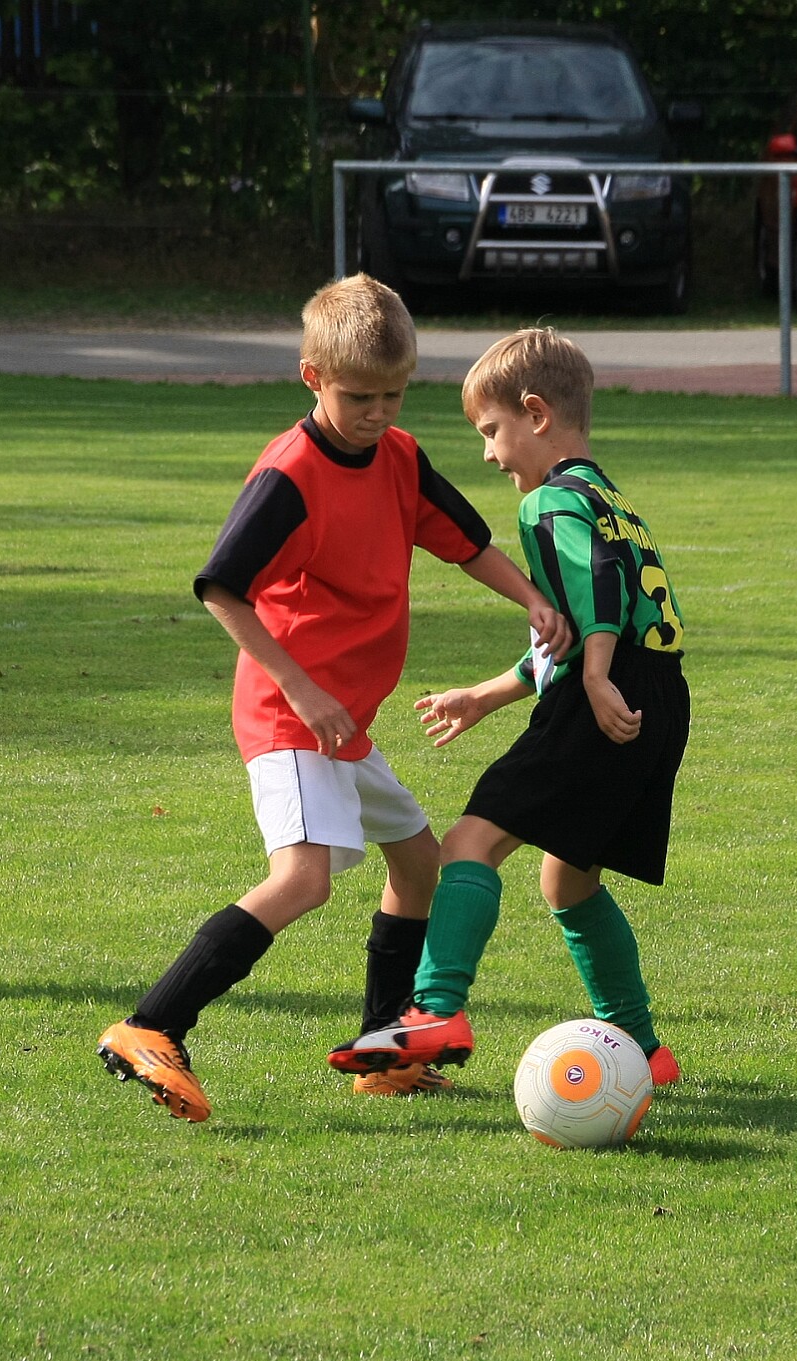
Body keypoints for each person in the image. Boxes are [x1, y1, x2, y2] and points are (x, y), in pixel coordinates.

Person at [96, 277, 570, 1123]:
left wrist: (532, 599)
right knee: (303, 880)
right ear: (313, 377)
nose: (377, 414)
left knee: (418, 864)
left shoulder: (399, 457)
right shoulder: (291, 474)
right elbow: (223, 589)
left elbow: (466, 543)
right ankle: (151, 1025)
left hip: (343, 722)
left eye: (393, 396)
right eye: (358, 397)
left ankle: (384, 1052)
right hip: (292, 715)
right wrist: (302, 687)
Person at [328, 329, 690, 1089]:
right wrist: (488, 695)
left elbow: (599, 590)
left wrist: (597, 677)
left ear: (536, 413)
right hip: (661, 693)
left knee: (469, 843)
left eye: (492, 431)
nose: (490, 455)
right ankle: (643, 1048)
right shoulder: (609, 499)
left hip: (608, 690)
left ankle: (435, 1009)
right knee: (568, 881)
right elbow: (582, 619)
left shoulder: (549, 500)